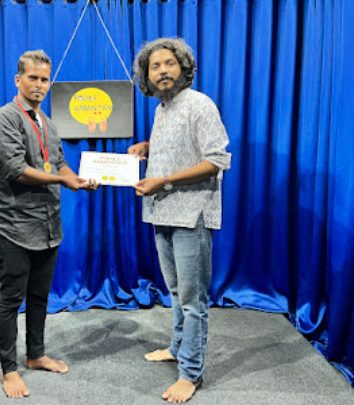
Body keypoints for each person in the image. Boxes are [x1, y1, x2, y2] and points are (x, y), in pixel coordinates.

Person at [0, 50, 98, 398]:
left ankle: (35, 355)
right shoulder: (4, 118)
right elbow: (16, 169)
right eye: (33, 78)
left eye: (45, 79)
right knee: (11, 300)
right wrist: (63, 180)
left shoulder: (46, 122)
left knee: (39, 296)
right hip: (13, 227)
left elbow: (58, 162)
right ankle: (9, 370)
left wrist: (77, 178)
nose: (39, 85)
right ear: (18, 80)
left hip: (47, 228)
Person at [128, 38, 231, 403]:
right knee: (175, 292)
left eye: (169, 63)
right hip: (162, 213)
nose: (162, 71)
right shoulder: (162, 109)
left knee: (192, 300)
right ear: (147, 76)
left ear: (184, 67)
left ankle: (191, 373)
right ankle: (177, 347)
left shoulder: (200, 104)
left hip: (191, 216)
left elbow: (216, 160)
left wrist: (165, 181)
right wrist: (147, 148)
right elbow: (179, 147)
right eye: (154, 66)